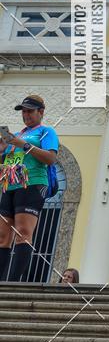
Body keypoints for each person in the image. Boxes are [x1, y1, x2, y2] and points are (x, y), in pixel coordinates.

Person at [0, 95, 60, 282]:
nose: (26, 114)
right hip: (9, 184)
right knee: (2, 236)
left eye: (29, 111)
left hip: (32, 184)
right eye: (23, 111)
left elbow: (51, 159)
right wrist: (3, 149)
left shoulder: (46, 132)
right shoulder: (16, 136)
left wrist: (24, 145)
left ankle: (12, 282)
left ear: (40, 112)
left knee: (23, 233)